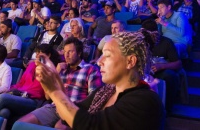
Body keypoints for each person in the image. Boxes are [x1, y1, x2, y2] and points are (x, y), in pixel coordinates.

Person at [33, 31, 165, 129]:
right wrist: (55, 79)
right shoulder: (106, 91)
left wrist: (54, 90)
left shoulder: (145, 100)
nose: (100, 61)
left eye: (107, 55)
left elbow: (89, 125)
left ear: (130, 61)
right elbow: (68, 114)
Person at [18, 37, 103, 128]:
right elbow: (47, 96)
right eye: (65, 52)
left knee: (59, 127)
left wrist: (68, 105)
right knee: (20, 124)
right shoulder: (61, 69)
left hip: (75, 110)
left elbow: (95, 100)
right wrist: (56, 72)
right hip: (55, 107)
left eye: (70, 52)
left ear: (79, 53)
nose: (66, 55)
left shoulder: (90, 69)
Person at [0, 44, 61, 121]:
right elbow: (20, 83)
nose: (37, 55)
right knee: (4, 112)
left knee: (3, 98)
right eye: (36, 52)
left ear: (48, 55)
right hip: (19, 95)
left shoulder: (51, 71)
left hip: (33, 101)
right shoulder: (32, 65)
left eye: (40, 52)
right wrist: (9, 90)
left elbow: (46, 95)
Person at [142, 19, 182, 114]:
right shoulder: (141, 42)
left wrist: (161, 66)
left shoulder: (166, 42)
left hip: (161, 71)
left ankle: (167, 109)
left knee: (170, 76)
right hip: (144, 71)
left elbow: (178, 63)